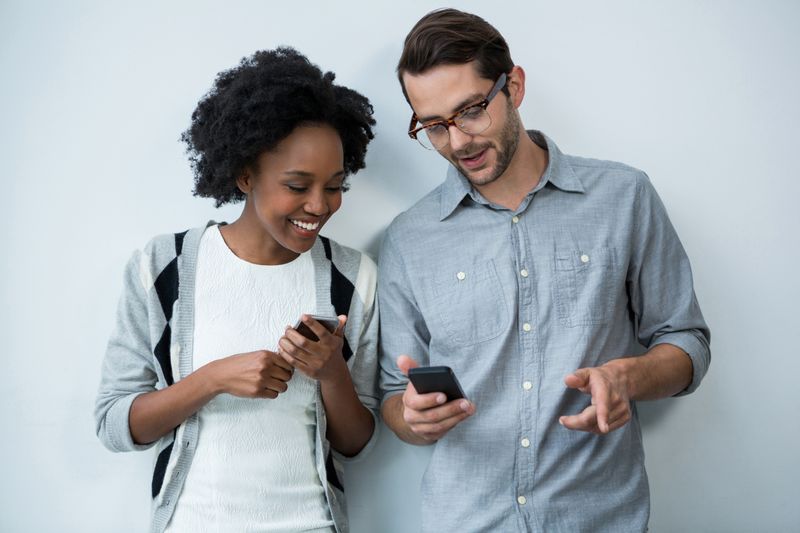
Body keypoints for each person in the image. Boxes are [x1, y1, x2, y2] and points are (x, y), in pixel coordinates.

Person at [378, 8, 710, 532]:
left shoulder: (625, 198)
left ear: (514, 86)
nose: (458, 141)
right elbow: (394, 397)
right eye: (435, 126)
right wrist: (412, 419)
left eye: (470, 111)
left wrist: (627, 376)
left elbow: (687, 341)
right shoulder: (407, 238)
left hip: (599, 519)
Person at [95, 47, 378, 533]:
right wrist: (212, 380)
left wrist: (331, 373)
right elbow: (115, 424)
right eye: (297, 184)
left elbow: (357, 443)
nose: (319, 205)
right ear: (246, 176)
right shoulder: (163, 267)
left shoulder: (352, 276)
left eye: (334, 186)